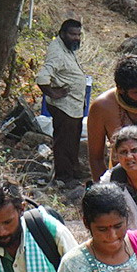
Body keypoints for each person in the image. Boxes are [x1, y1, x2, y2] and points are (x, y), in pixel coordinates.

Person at [37, 19, 88, 184]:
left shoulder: (66, 47)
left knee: (73, 139)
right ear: (62, 34)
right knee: (64, 142)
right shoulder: (57, 52)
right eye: (73, 34)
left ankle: (73, 170)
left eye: (78, 34)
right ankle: (64, 178)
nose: (76, 38)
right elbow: (42, 77)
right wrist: (52, 92)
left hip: (74, 105)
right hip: (64, 106)